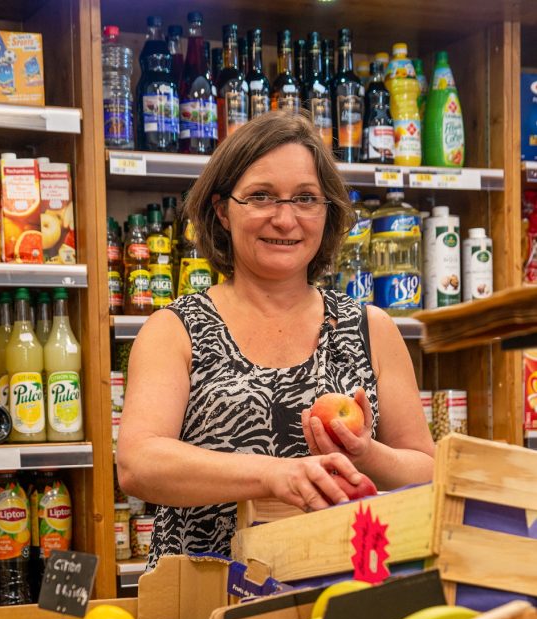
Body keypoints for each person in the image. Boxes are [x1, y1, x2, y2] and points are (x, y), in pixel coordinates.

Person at [117, 110, 435, 569]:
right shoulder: (175, 329)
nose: (285, 220)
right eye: (261, 196)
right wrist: (274, 474)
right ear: (222, 210)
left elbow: (427, 470)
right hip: (207, 593)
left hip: (343, 588)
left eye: (306, 198)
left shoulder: (371, 328)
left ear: (328, 211)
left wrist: (368, 454)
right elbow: (138, 463)